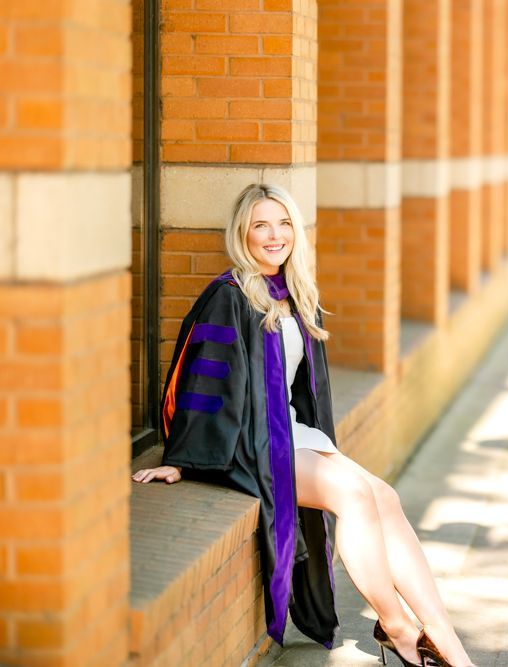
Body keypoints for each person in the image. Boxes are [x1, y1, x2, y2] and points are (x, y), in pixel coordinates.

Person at [133, 183, 475, 667]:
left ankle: (446, 643)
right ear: (242, 235)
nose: (275, 236)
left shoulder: (295, 294)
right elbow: (202, 385)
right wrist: (181, 460)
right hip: (250, 442)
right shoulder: (229, 297)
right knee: (354, 497)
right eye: (261, 225)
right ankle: (399, 630)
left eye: (284, 223)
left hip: (289, 432)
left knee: (385, 497)